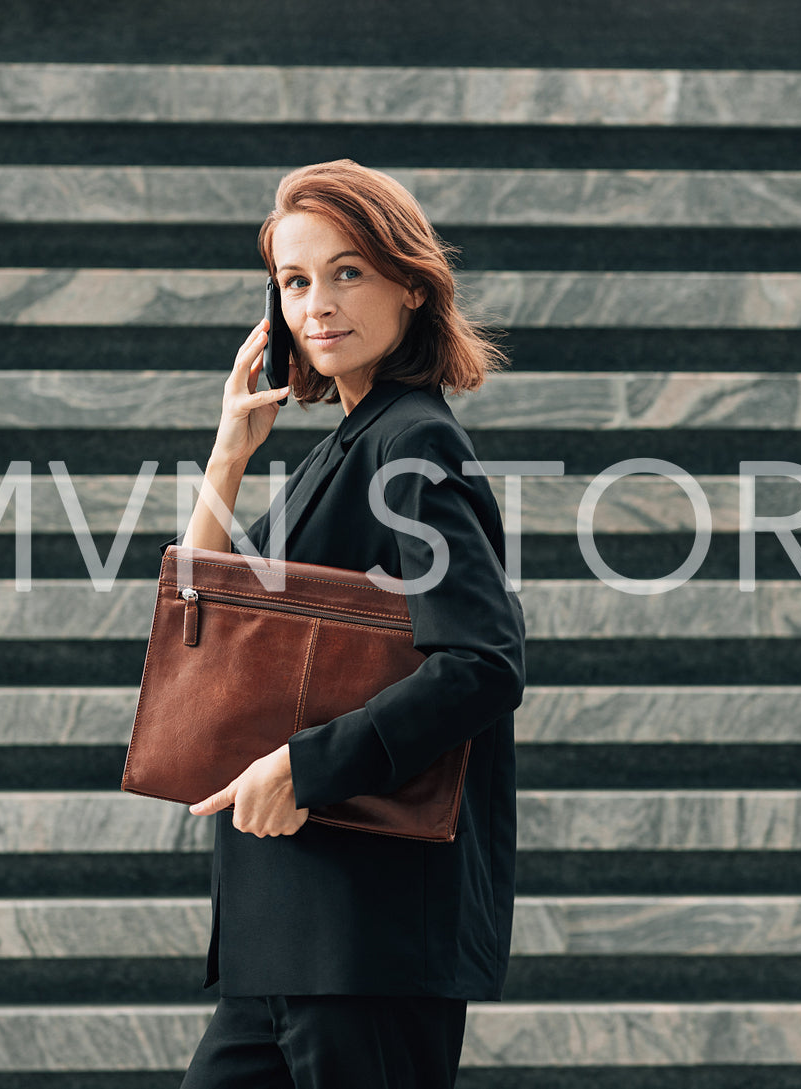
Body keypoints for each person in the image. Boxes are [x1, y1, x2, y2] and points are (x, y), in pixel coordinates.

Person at [156, 159, 526, 1089]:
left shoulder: (413, 441)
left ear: (410, 284)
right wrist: (228, 457)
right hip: (285, 938)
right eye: (294, 280)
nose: (316, 303)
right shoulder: (340, 450)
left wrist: (303, 765)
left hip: (366, 937)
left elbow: (482, 661)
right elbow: (196, 635)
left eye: (347, 271)